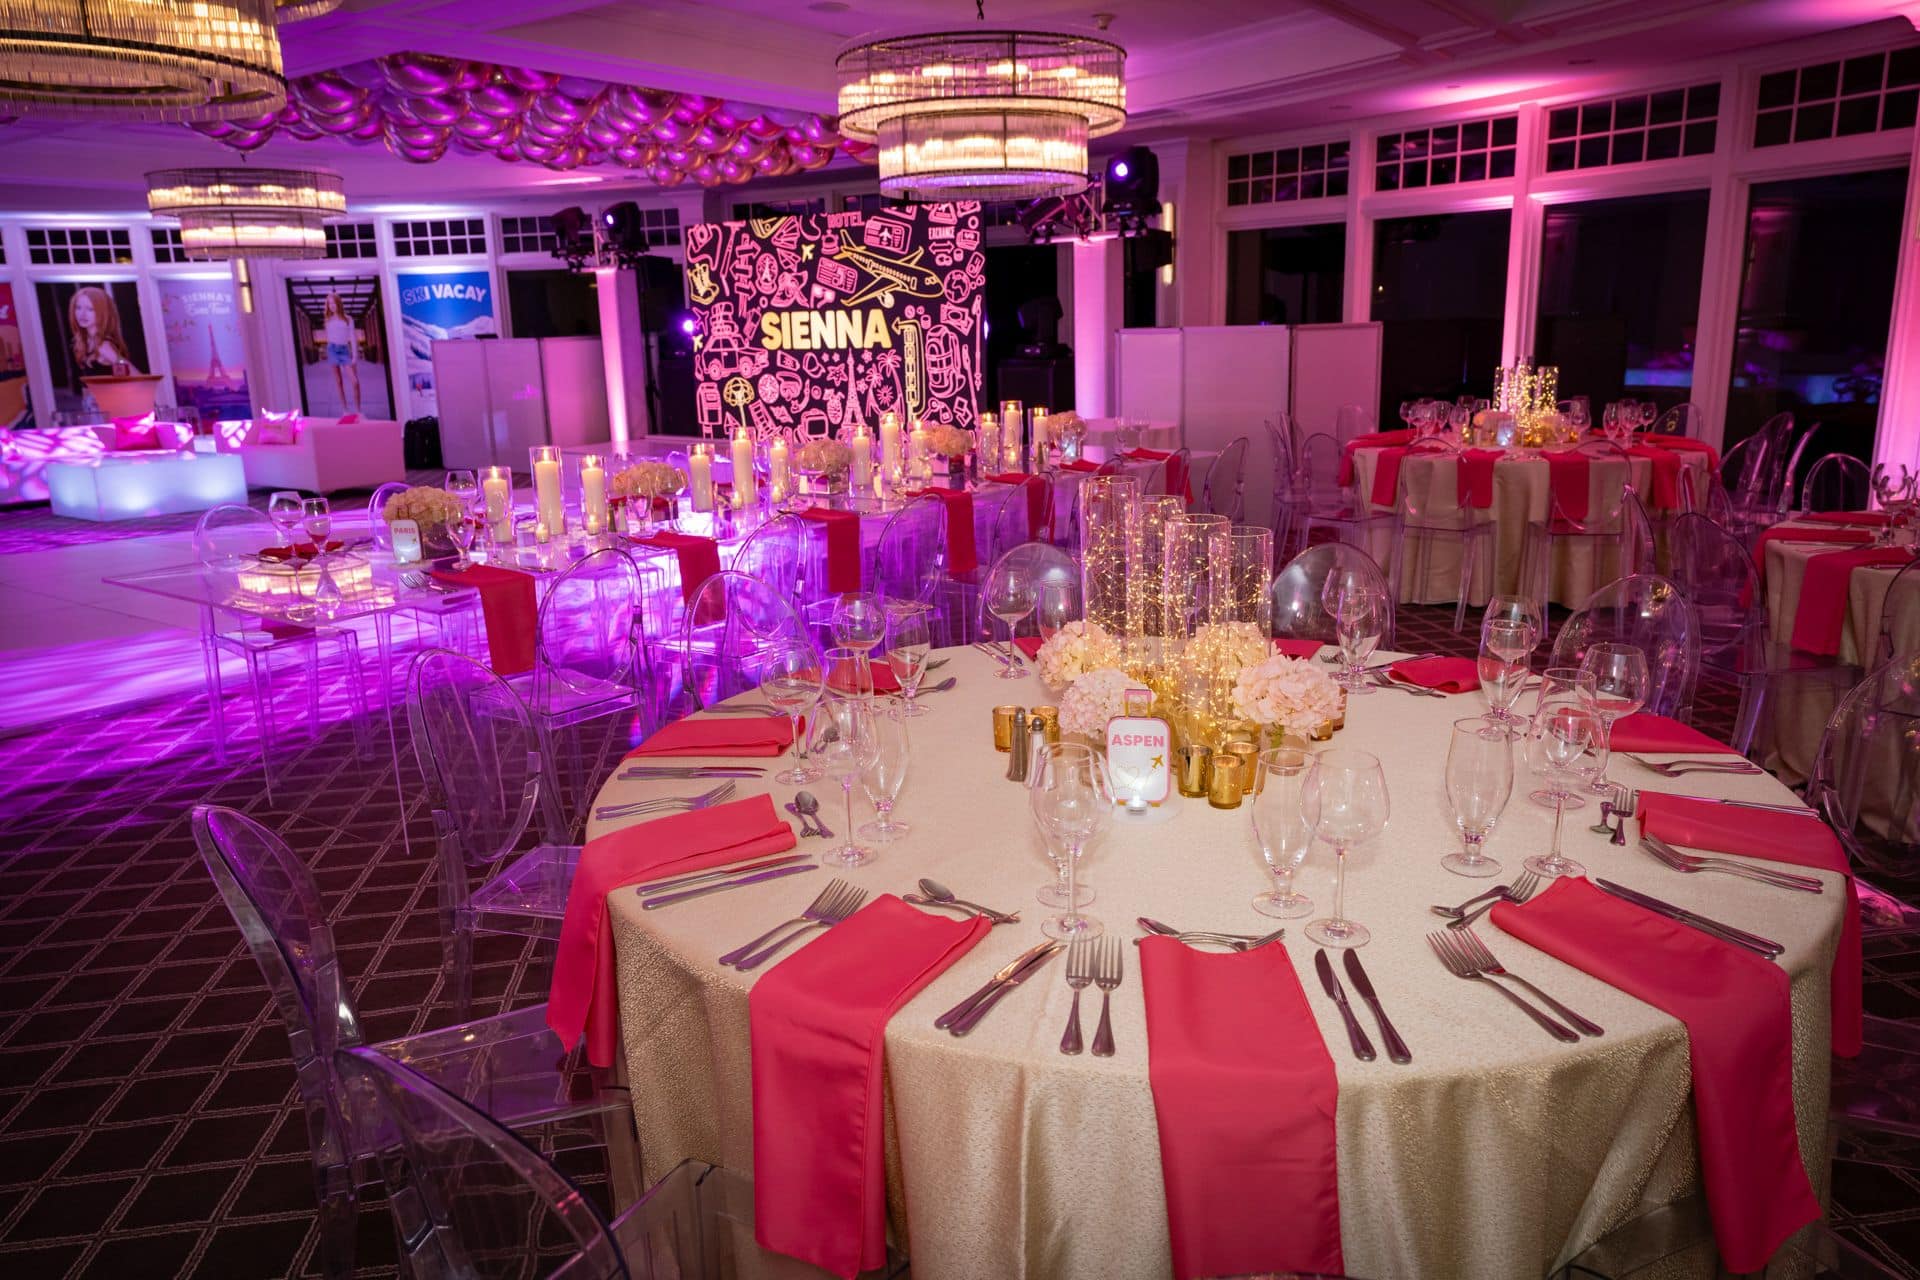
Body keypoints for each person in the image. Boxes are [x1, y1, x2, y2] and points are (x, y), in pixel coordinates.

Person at [69, 286, 132, 374]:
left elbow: (134, 375)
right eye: (78, 308)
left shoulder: (104, 345)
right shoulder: (84, 341)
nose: (82, 314)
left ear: (102, 312)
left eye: (90, 309)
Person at [322, 291, 362, 414]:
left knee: (355, 382)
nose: (332, 306)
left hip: (344, 350)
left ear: (338, 303)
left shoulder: (348, 319)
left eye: (334, 303)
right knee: (339, 382)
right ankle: (345, 410)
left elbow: (352, 338)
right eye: (329, 304)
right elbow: (329, 337)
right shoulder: (328, 320)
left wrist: (354, 356)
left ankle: (358, 411)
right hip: (332, 350)